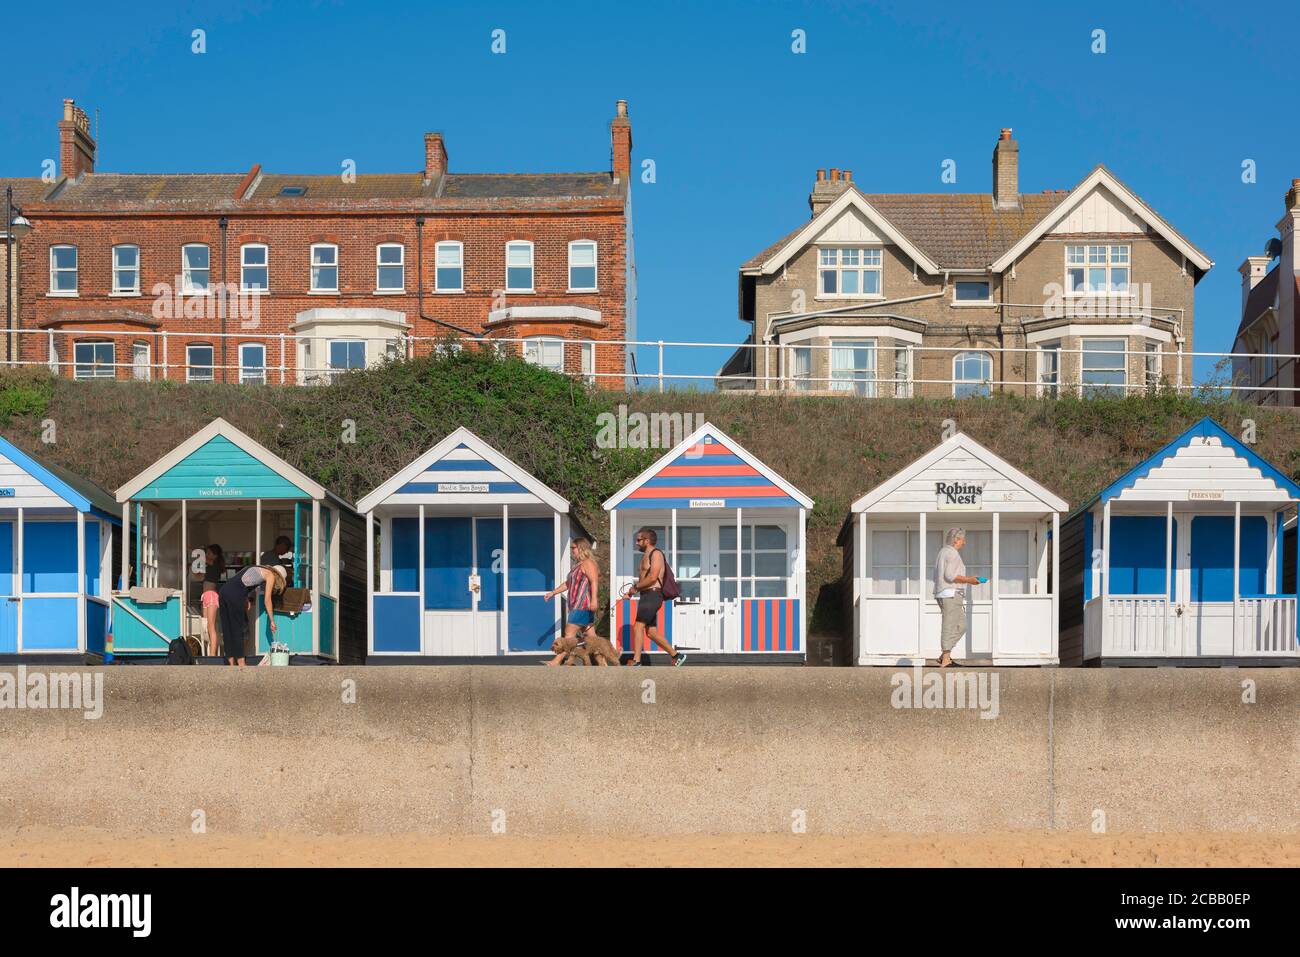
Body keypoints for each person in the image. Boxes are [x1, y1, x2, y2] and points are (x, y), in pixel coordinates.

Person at [621, 528, 686, 667]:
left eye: (639, 540)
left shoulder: (656, 554)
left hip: (653, 595)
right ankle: (676, 655)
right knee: (651, 632)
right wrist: (634, 591)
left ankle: (637, 661)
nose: (636, 543)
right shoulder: (646, 555)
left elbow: (652, 577)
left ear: (647, 540)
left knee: (638, 627)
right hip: (646, 595)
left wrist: (634, 588)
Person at [543, 538, 600, 666]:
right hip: (576, 605)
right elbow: (568, 584)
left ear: (581, 548)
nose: (571, 551)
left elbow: (594, 581)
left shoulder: (588, 563)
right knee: (592, 638)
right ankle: (604, 660)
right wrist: (553, 593)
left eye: (573, 548)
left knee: (569, 635)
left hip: (582, 605)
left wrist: (594, 600)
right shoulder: (577, 566)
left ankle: (556, 661)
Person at [933, 527, 984, 668]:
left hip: (945, 593)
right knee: (949, 625)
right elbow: (950, 576)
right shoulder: (952, 553)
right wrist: (970, 579)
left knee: (961, 626)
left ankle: (945, 655)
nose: (964, 543)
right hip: (951, 593)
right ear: (956, 540)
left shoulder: (943, 552)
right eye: (962, 539)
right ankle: (946, 660)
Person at [218, 564, 286, 666]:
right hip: (235, 595)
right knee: (237, 629)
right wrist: (272, 620)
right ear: (279, 577)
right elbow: (267, 600)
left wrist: (246, 598)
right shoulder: (271, 575)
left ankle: (231, 663)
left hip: (223, 591)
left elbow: (241, 581)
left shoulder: (258, 567)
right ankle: (241, 662)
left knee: (227, 629)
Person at [193, 543, 225, 657]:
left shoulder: (214, 565)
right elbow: (198, 576)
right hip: (205, 596)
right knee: (206, 625)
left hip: (211, 595)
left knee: (210, 626)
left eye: (209, 553)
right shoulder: (208, 565)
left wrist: (197, 552)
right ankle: (209, 652)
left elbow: (203, 562)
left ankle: (212, 654)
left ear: (215, 556)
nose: (207, 554)